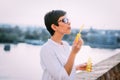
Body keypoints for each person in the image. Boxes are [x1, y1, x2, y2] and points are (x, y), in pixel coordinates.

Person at [40, 10, 87, 80]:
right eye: (64, 20)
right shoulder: (47, 49)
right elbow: (62, 77)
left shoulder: (65, 45)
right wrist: (73, 53)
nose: (69, 22)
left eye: (68, 19)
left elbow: (64, 68)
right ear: (54, 27)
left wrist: (76, 67)